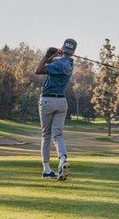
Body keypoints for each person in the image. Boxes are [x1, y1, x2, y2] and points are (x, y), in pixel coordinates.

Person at [35, 38, 77, 180]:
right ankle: (62, 160)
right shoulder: (70, 63)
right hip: (61, 102)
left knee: (46, 135)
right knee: (57, 135)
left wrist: (47, 55)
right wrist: (54, 55)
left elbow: (39, 69)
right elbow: (54, 63)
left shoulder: (58, 62)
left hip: (48, 100)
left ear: (63, 48)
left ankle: (47, 170)